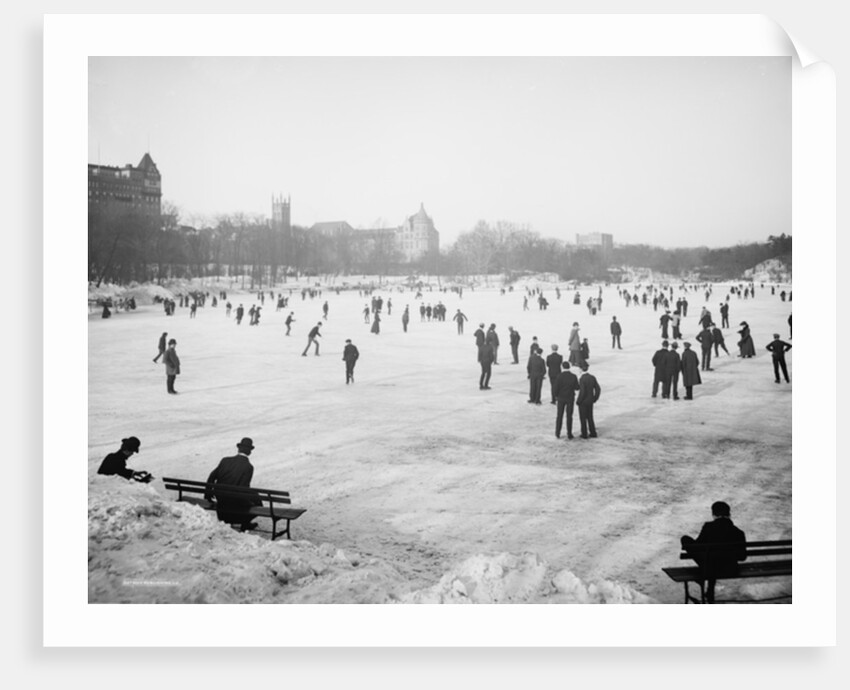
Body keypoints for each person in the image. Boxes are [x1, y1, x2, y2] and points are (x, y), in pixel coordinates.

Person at [680, 501, 747, 603]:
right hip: (730, 569)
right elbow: (742, 557)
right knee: (713, 557)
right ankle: (709, 590)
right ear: (729, 514)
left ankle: (706, 581)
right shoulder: (738, 532)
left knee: (687, 540)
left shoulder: (708, 527)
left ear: (714, 514)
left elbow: (698, 546)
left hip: (709, 569)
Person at [204, 437, 263, 531]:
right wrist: (252, 501)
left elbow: (212, 477)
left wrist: (208, 494)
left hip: (221, 504)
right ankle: (245, 523)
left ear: (238, 449)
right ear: (249, 452)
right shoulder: (248, 467)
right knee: (258, 501)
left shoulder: (225, 460)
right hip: (235, 504)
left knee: (251, 497)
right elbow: (244, 488)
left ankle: (239, 520)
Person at [553, 361, 580, 439]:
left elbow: (555, 388)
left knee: (559, 416)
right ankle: (569, 433)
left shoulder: (559, 376)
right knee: (569, 416)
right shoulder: (573, 376)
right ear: (569, 367)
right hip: (570, 398)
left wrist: (556, 396)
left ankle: (557, 433)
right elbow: (577, 387)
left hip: (561, 398)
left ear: (562, 367)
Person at [576, 363, 601, 438]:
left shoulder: (582, 379)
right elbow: (598, 389)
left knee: (583, 418)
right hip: (590, 400)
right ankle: (593, 432)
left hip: (583, 402)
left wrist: (579, 401)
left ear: (580, 369)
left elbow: (582, 392)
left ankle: (584, 434)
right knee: (590, 417)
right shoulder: (592, 377)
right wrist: (594, 398)